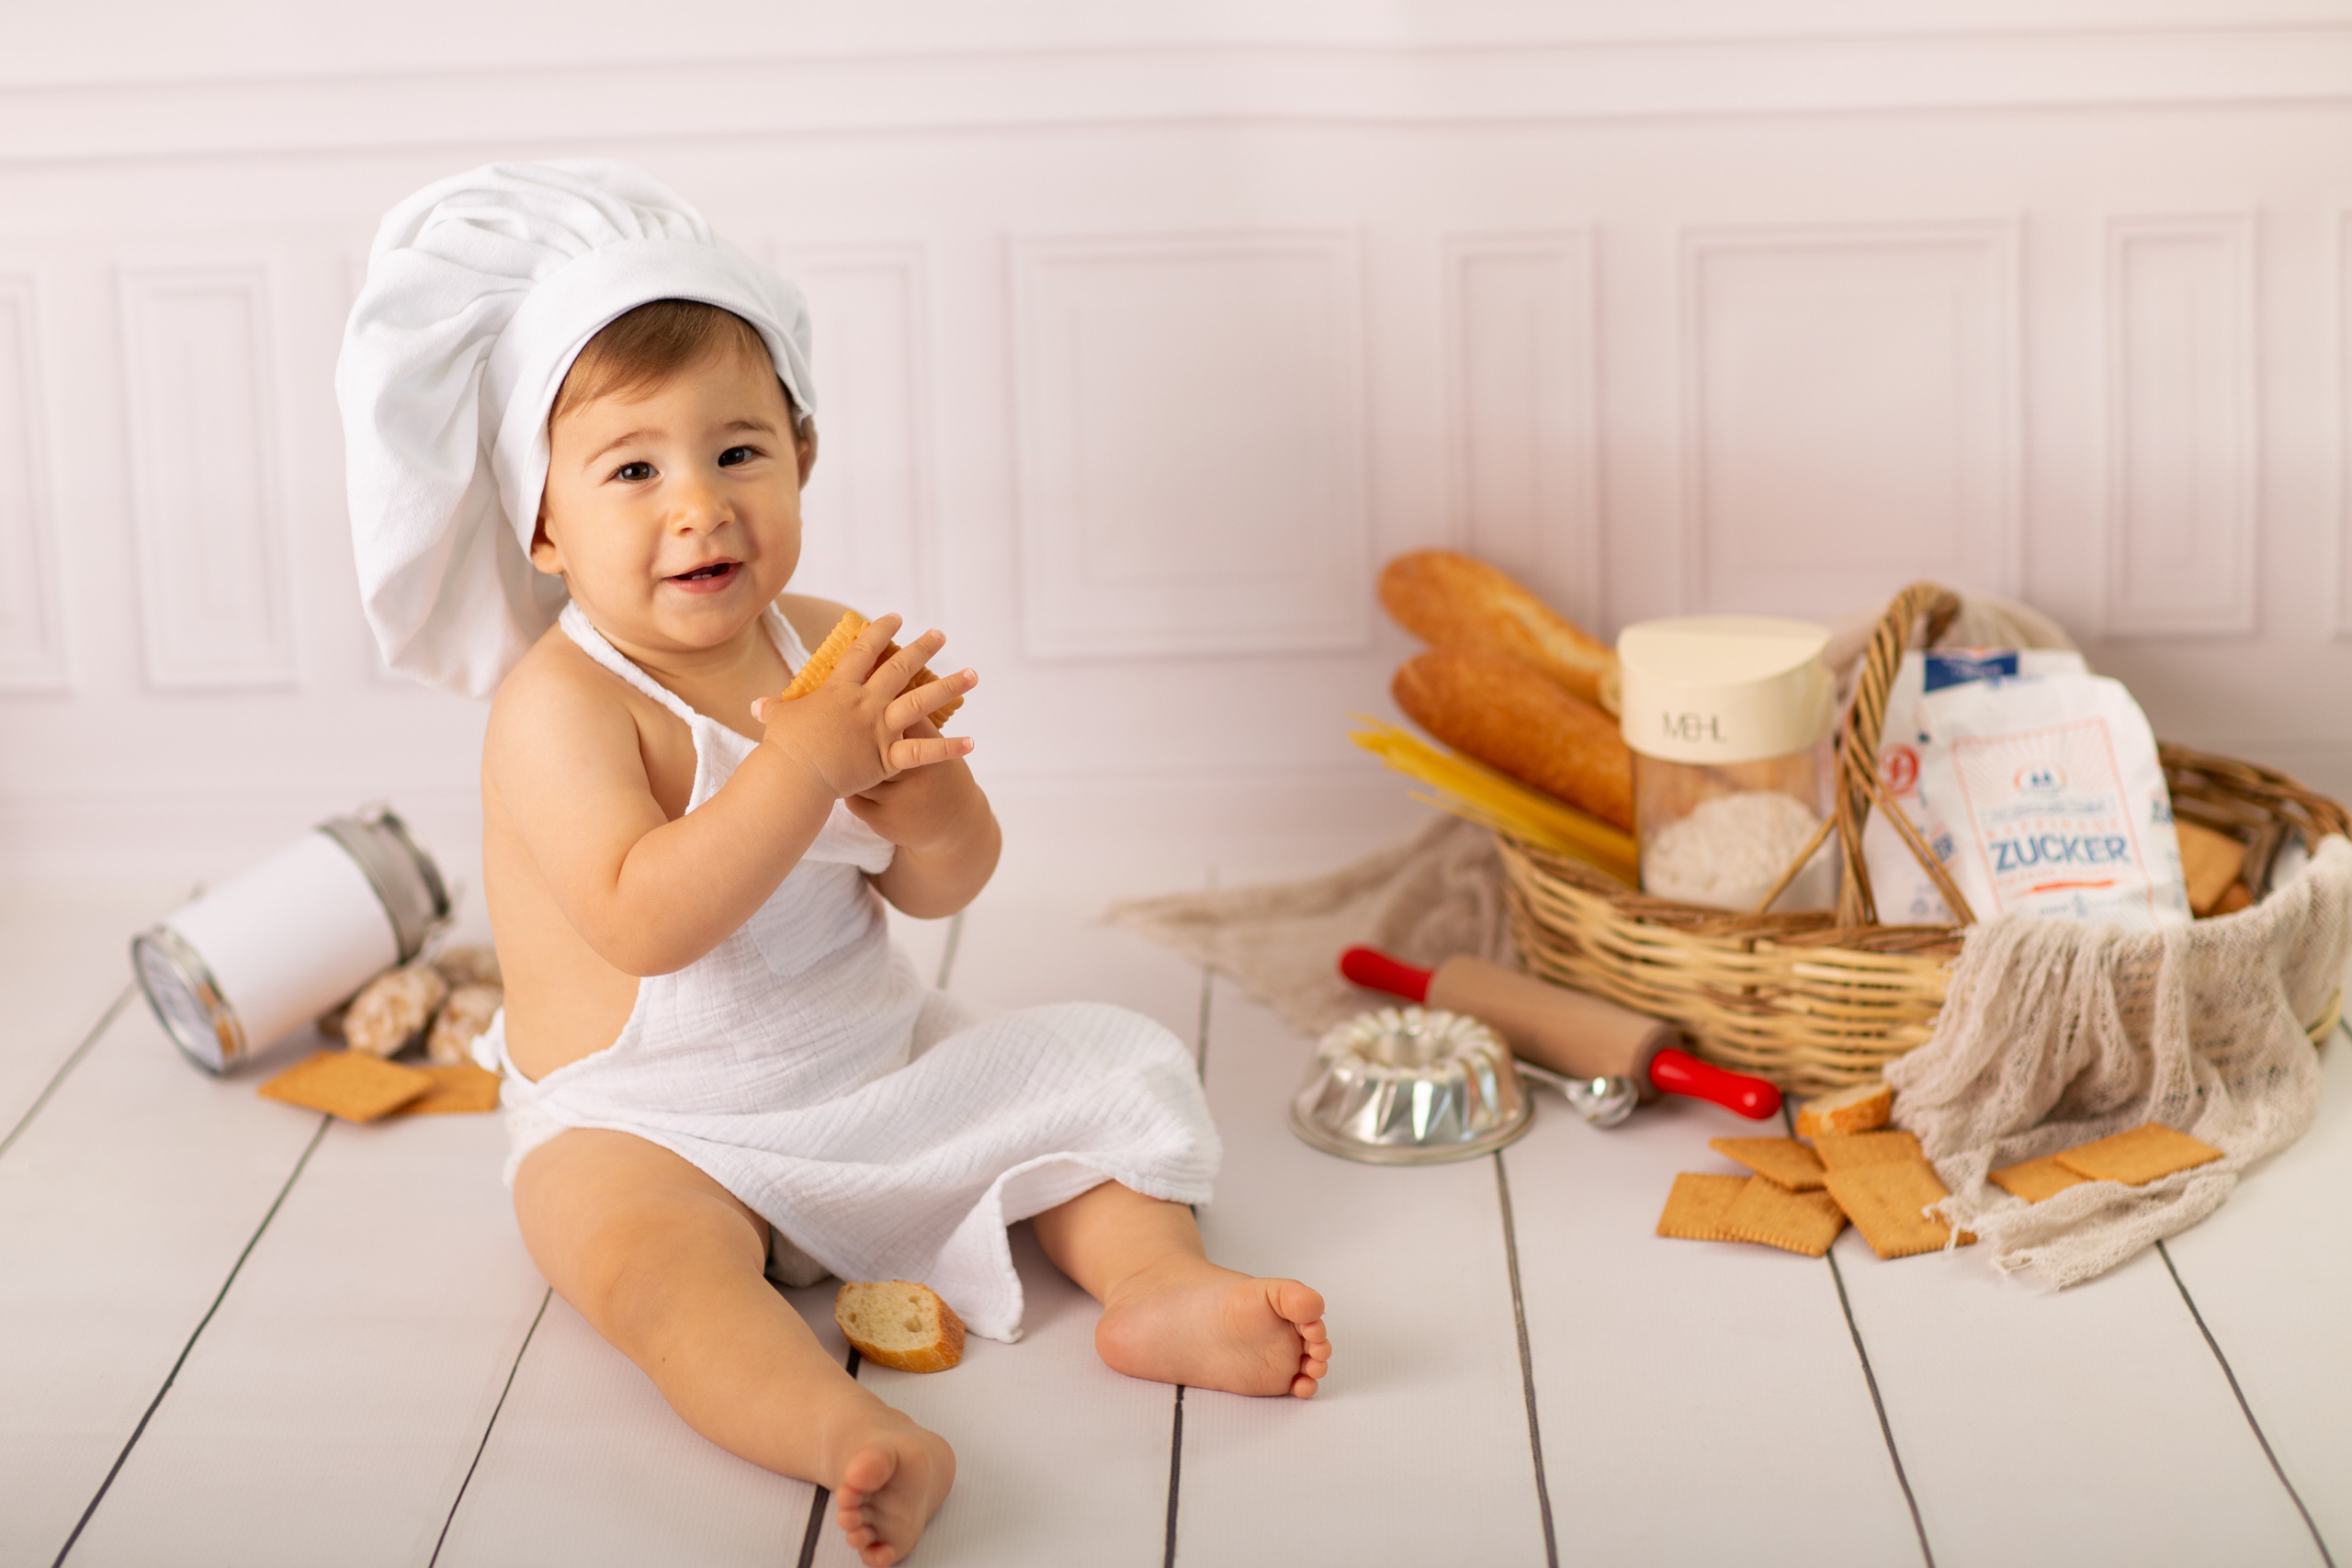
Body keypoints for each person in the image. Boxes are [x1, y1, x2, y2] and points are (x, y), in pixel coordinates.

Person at [337, 161, 1329, 1567]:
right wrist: (803, 767)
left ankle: (1160, 1289)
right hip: (646, 1129)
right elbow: (642, 920)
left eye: (738, 451)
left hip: (870, 1080)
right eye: (634, 468)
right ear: (544, 527)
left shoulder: (831, 642)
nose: (700, 506)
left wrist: (914, 799)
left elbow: (947, 882)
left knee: (1109, 1067)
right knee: (648, 1273)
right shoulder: (559, 708)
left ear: (802, 458)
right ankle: (845, 1435)